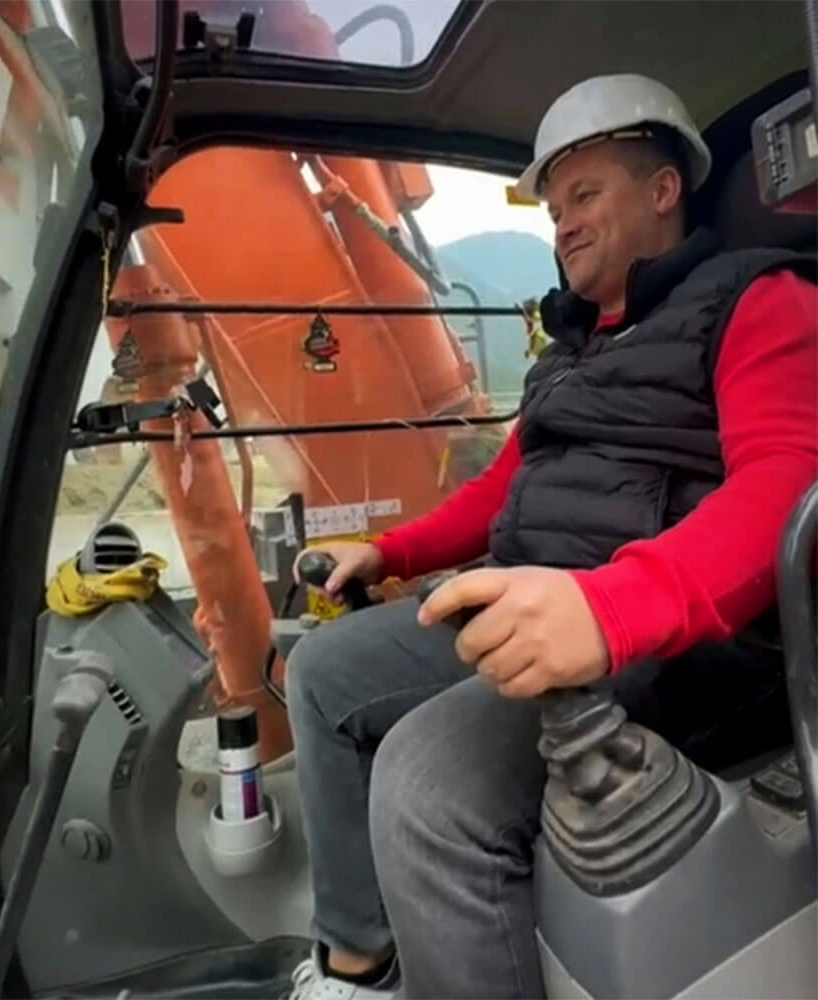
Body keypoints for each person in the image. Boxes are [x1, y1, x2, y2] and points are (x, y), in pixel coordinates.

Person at [283, 74, 817, 1000]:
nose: (560, 223)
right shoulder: (568, 350)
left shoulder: (754, 296)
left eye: (584, 194)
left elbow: (786, 487)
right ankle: (359, 962)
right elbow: (502, 487)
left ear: (662, 190)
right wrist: (398, 551)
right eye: (551, 205)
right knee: (324, 674)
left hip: (680, 636)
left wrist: (611, 606)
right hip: (540, 598)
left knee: (425, 783)